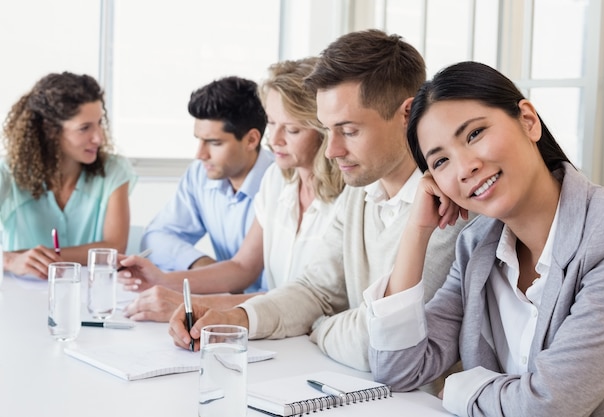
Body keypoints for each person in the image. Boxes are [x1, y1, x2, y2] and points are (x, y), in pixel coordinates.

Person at [166, 29, 468, 374]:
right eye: (327, 131)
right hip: (356, 386)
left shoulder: (448, 204)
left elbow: (383, 339)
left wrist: (321, 327)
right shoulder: (360, 192)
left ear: (407, 114)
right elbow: (316, 290)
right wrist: (236, 318)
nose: (332, 150)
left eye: (349, 131)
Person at [365, 61, 604, 417]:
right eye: (440, 162)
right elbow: (398, 370)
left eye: (474, 134)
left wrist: (462, 388)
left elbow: (550, 406)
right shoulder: (477, 247)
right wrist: (417, 229)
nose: (464, 167)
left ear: (528, 121)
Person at [119, 57, 344, 322]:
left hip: (301, 330)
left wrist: (189, 304)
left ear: (324, 131)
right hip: (270, 329)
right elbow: (242, 267)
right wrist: (164, 281)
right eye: (271, 124)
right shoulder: (278, 180)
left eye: (292, 129)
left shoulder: (347, 197)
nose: (274, 140)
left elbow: (302, 297)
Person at [138, 76, 274, 294]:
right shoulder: (201, 173)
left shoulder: (280, 182)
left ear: (251, 140)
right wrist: (202, 264)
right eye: (199, 140)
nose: (200, 154)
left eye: (214, 142)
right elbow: (155, 237)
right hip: (221, 303)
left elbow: (257, 279)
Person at [1, 72, 136, 279]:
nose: (98, 138)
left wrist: (38, 258)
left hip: (88, 298)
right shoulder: (7, 173)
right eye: (84, 128)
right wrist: (10, 260)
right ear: (50, 131)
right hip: (19, 298)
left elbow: (114, 248)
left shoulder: (114, 170)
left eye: (100, 123)